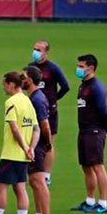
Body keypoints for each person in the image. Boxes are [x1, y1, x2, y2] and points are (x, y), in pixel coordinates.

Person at [0, 71, 39, 214]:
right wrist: (31, 148)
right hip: (24, 156)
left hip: (11, 153)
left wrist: (25, 147)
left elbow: (14, 127)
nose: (3, 87)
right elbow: (36, 128)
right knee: (20, 187)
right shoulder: (28, 101)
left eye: (4, 83)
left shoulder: (11, 102)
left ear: (11, 84)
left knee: (0, 187)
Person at [72, 54, 107, 214]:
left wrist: (104, 129)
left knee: (97, 165)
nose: (78, 69)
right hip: (84, 130)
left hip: (94, 131)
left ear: (91, 68)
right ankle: (90, 200)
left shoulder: (96, 87)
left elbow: (103, 110)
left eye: (81, 66)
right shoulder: (83, 85)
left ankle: (102, 203)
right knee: (86, 166)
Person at [29, 39, 70, 186]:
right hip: (33, 109)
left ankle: (46, 175)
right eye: (34, 49)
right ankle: (34, 170)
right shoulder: (31, 67)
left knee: (48, 142)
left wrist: (54, 99)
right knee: (32, 139)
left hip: (49, 111)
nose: (36, 52)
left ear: (46, 52)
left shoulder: (53, 69)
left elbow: (65, 86)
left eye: (39, 50)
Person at [24, 66, 54, 214]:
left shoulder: (37, 99)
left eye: (24, 77)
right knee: (34, 182)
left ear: (31, 79)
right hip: (36, 144)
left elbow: (45, 124)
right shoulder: (35, 97)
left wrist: (48, 143)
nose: (22, 80)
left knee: (39, 181)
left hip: (38, 145)